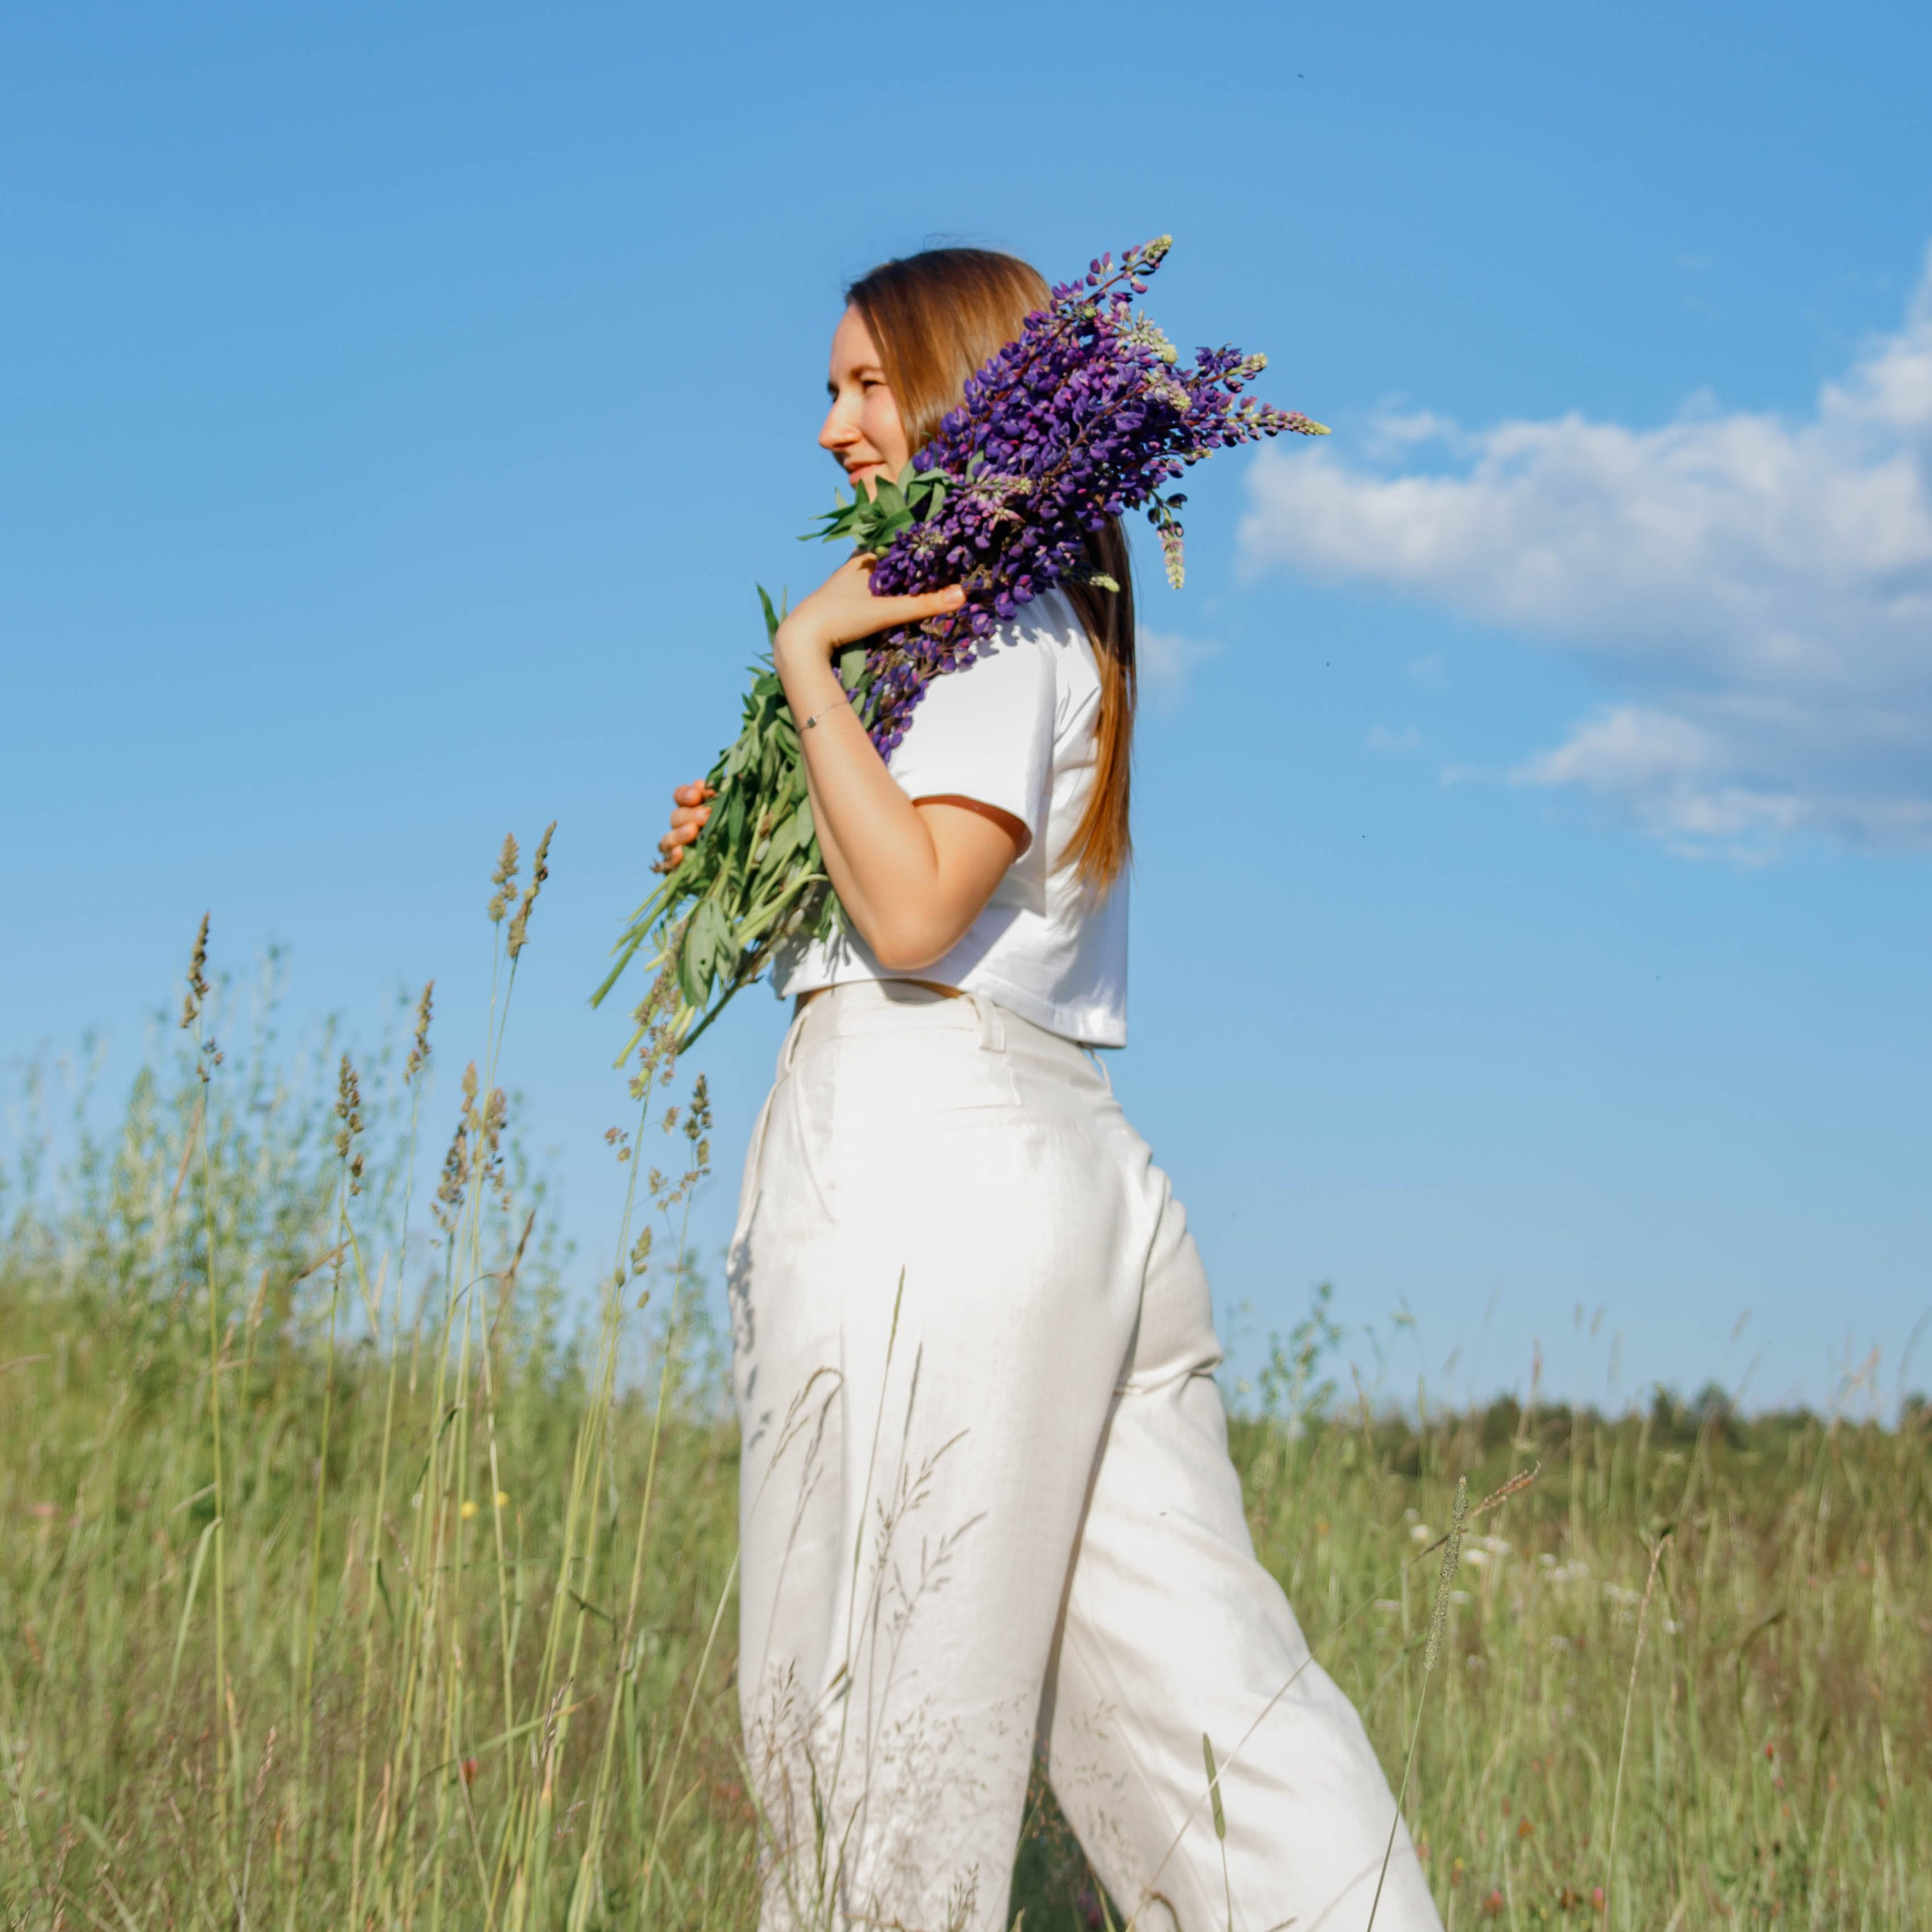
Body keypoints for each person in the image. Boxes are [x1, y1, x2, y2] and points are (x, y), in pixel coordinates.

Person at [657, 248, 1441, 1932]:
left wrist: (807, 669)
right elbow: (917, 889)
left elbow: (923, 916)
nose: (829, 428)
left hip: (925, 1165)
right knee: (1205, 1703)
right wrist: (770, 825)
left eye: (864, 385)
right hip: (1062, 1167)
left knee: (878, 1709)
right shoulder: (1027, 620)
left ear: (955, 389)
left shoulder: (971, 616)